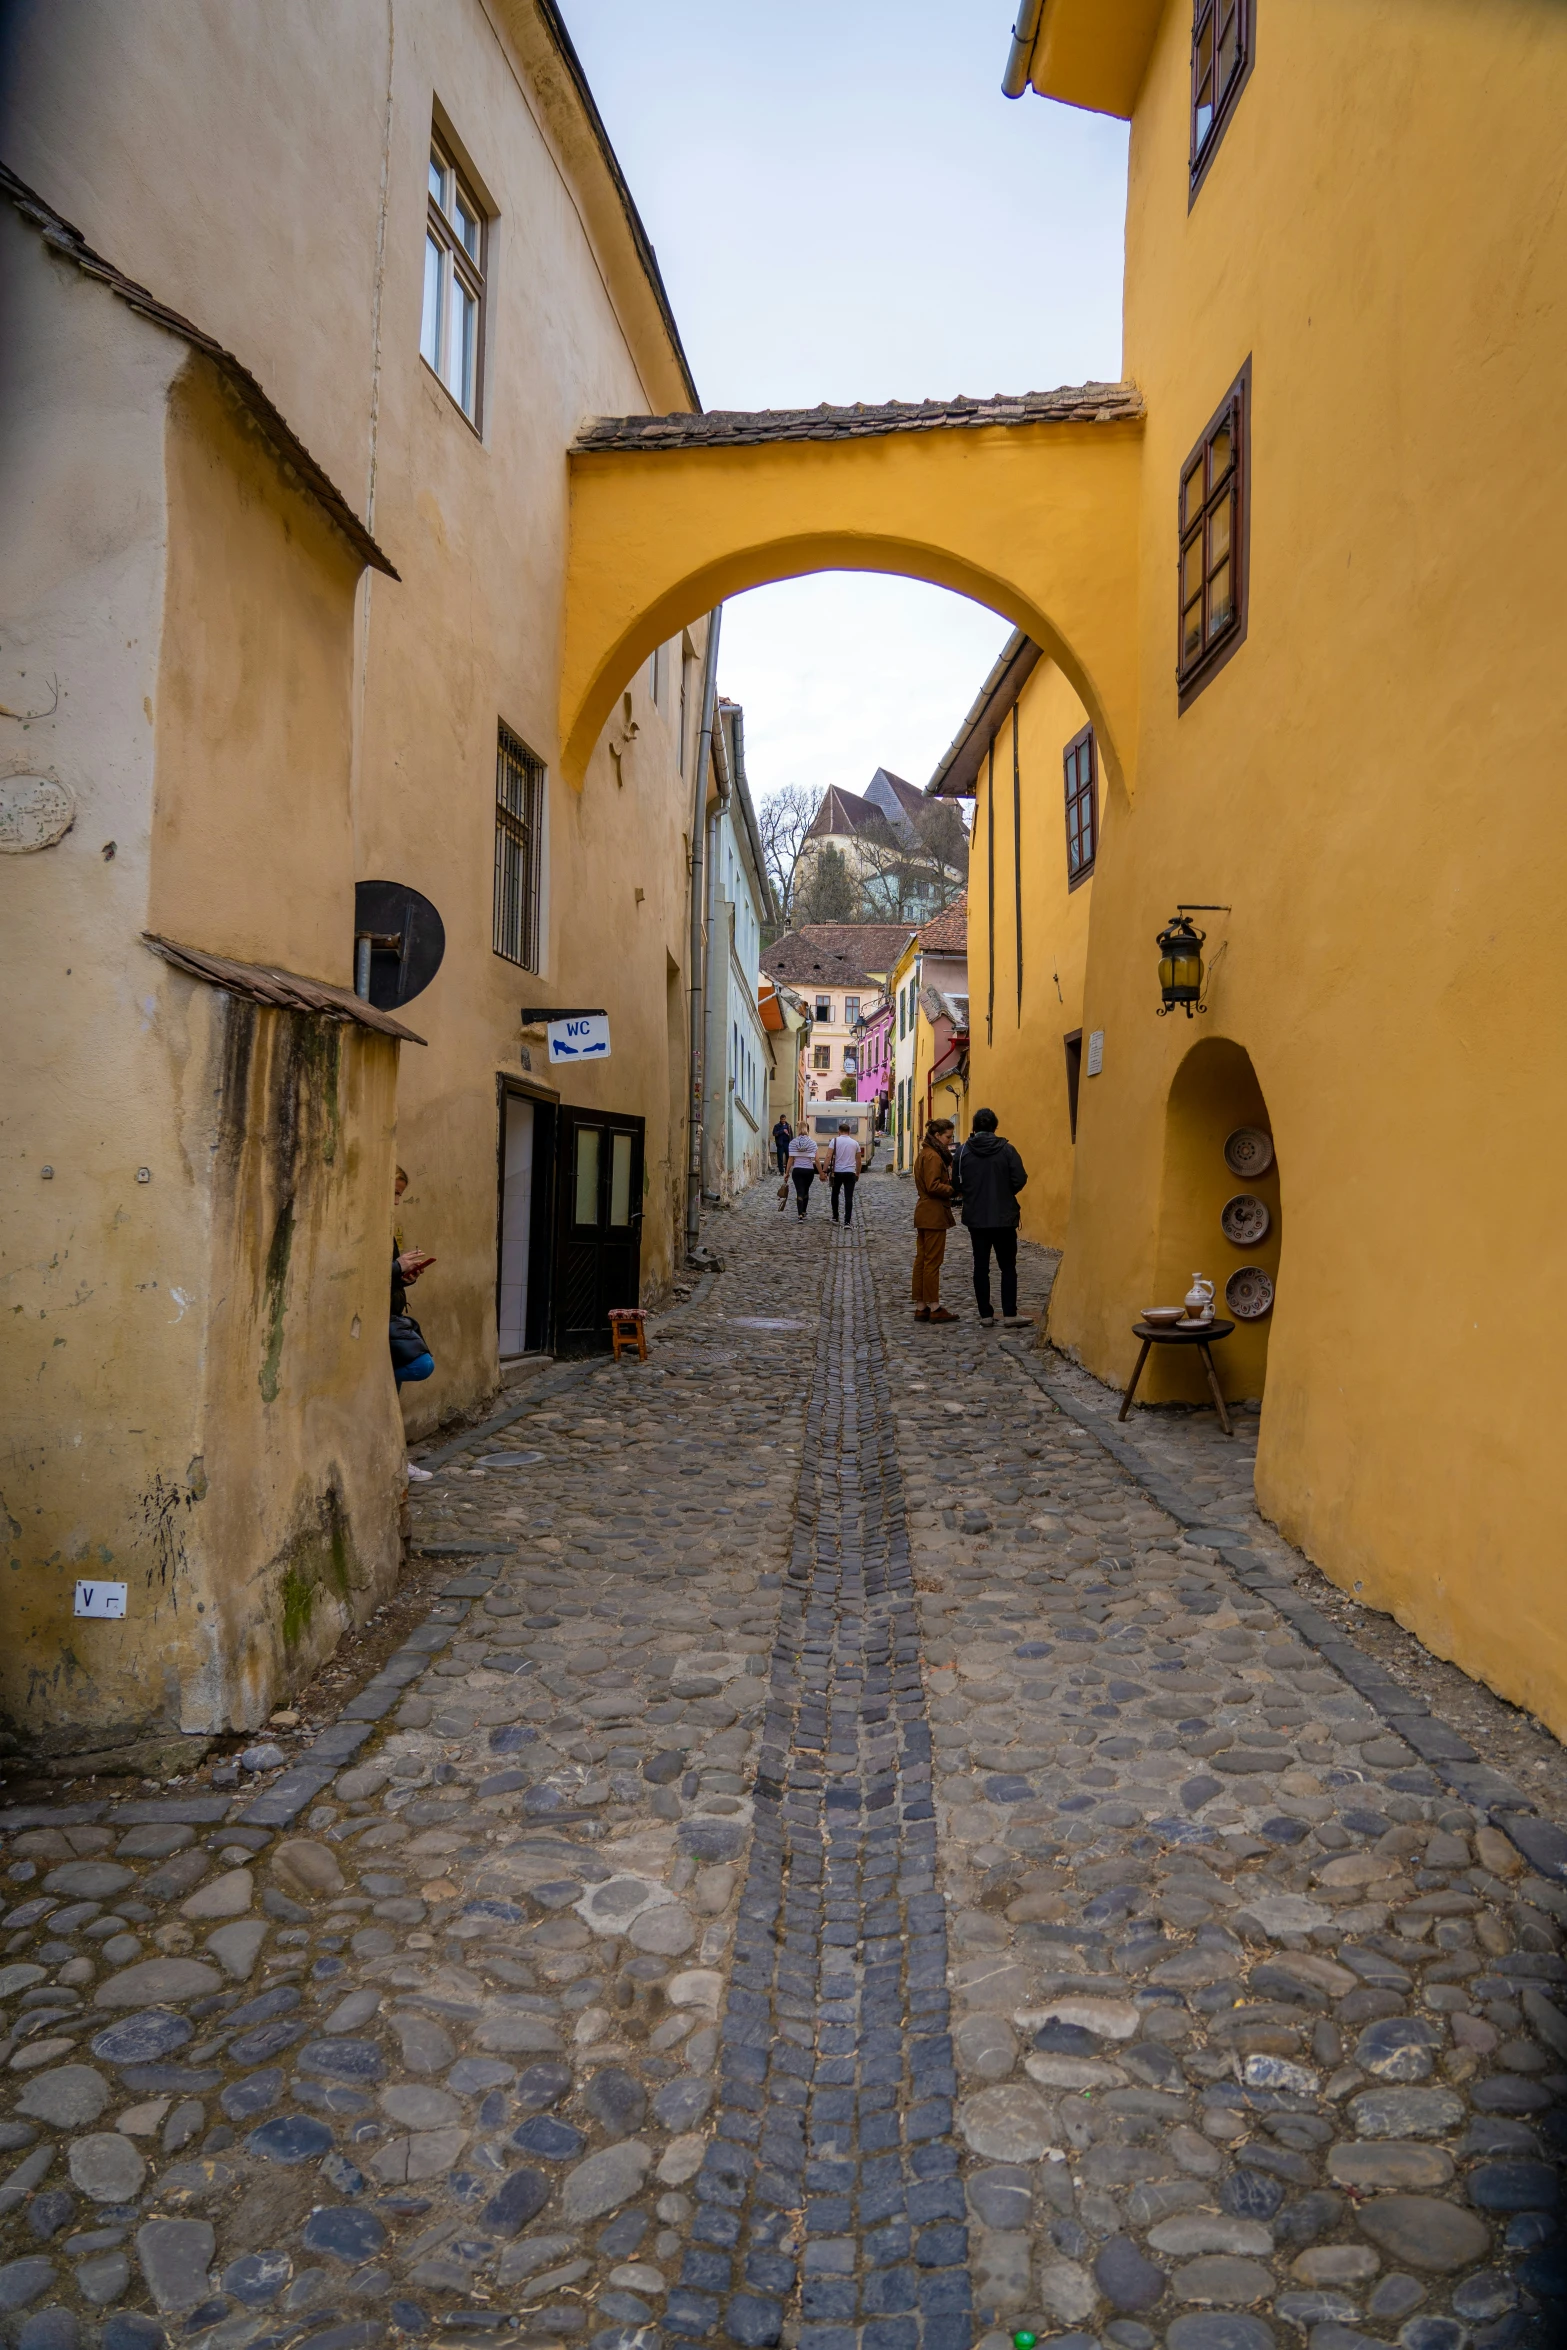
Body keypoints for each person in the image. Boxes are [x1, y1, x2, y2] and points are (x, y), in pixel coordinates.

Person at [953, 1108, 1029, 1327]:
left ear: (974, 1127)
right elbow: (1020, 1178)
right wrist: (1005, 1193)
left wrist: (973, 1193)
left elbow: (957, 1184)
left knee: (980, 1266)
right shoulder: (1007, 1150)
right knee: (1008, 1266)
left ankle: (985, 1314)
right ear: (995, 1126)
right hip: (1004, 1217)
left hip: (976, 1217)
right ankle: (1010, 1314)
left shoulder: (963, 1151)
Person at [391, 1165, 437, 1392]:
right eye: (395, 1193)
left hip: (391, 1316)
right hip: (382, 1320)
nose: (397, 1201)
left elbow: (384, 1279)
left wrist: (405, 1278)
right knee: (421, 1365)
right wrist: (398, 1266)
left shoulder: (384, 1230)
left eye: (400, 1195)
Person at [913, 1118, 958, 1322]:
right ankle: (934, 1306)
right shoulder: (933, 1156)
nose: (950, 1140)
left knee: (922, 1260)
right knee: (932, 1261)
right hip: (933, 1213)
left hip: (924, 1212)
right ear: (938, 1136)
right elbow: (933, 1185)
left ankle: (921, 1305)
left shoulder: (924, 1154)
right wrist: (953, 1189)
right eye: (948, 1136)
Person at [829, 1121, 863, 1225]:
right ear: (849, 1132)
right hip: (850, 1172)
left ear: (839, 1131)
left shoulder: (834, 1141)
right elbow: (859, 1161)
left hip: (837, 1172)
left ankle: (835, 1217)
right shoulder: (855, 1143)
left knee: (835, 1194)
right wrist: (858, 1173)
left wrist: (824, 1171)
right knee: (849, 1197)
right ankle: (847, 1221)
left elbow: (828, 1156)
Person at [786, 1125, 820, 1218]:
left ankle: (800, 1214)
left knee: (799, 1191)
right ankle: (804, 1211)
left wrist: (786, 1173)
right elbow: (817, 1160)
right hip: (809, 1170)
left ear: (798, 1130)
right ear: (807, 1130)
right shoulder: (812, 1143)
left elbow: (790, 1159)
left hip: (797, 1170)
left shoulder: (793, 1142)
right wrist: (821, 1173)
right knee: (806, 1190)